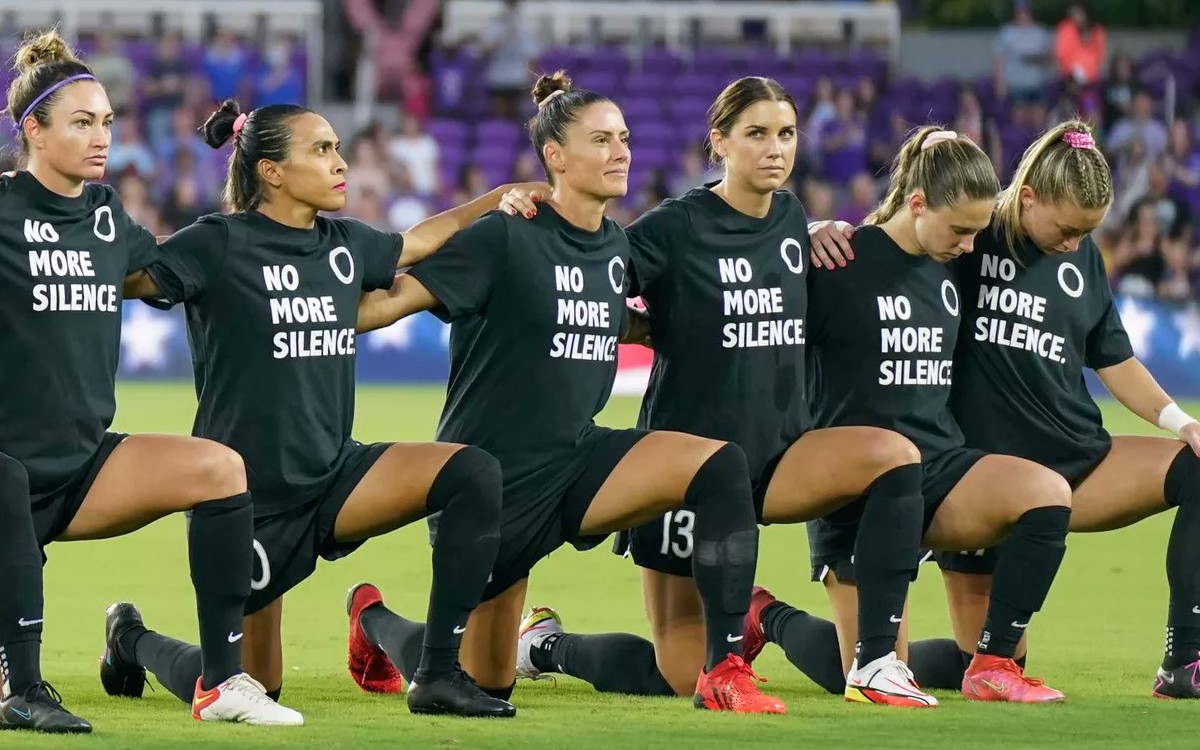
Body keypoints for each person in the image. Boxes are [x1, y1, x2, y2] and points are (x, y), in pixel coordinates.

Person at [346, 71, 786, 715]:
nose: (621, 151)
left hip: (578, 460)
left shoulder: (614, 246)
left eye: (624, 138)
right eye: (601, 140)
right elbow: (389, 303)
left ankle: (723, 668)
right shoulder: (505, 234)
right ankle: (372, 619)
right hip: (493, 481)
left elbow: (611, 314)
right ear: (554, 156)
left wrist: (672, 327)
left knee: (718, 465)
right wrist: (305, 298)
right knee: (487, 680)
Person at [101, 98, 546, 718]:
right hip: (248, 502)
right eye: (321, 150)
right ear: (272, 172)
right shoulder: (218, 243)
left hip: (336, 476)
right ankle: (131, 639)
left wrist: (494, 199)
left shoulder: (346, 244)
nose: (341, 163)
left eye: (337, 148)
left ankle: (437, 673)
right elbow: (129, 276)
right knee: (253, 685)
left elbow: (417, 242)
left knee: (471, 472)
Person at [502, 77, 938, 707]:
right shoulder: (676, 226)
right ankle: (545, 646)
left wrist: (817, 227)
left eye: (785, 133)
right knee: (680, 672)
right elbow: (592, 284)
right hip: (691, 468)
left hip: (782, 456)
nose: (774, 148)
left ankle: (872, 661)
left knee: (894, 457)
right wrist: (645, 325)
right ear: (720, 143)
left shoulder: (790, 216)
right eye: (756, 133)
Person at [810, 120, 1200, 698]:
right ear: (1028, 196)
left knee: (1197, 469)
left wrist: (1182, 422)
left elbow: (1115, 360)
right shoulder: (968, 231)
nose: (1074, 243)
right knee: (928, 656)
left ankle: (1184, 663)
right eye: (1067, 228)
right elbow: (898, 241)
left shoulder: (1081, 260)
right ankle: (777, 621)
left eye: (1087, 232)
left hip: (1073, 459)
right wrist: (817, 230)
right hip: (972, 473)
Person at [0, 30, 296, 732]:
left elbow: (166, 268)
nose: (101, 136)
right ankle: (23, 687)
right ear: (33, 130)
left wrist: (267, 241)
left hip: (77, 467)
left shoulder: (106, 214)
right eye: (81, 122)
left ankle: (221, 683)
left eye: (106, 121)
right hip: (4, 469)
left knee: (219, 469)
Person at [791, 126, 1075, 704]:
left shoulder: (951, 265)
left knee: (1047, 494)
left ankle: (991, 663)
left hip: (939, 469)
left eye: (976, 230)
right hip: (857, 489)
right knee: (865, 667)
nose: (970, 246)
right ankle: (769, 617)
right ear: (917, 203)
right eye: (960, 230)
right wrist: (806, 233)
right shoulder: (839, 261)